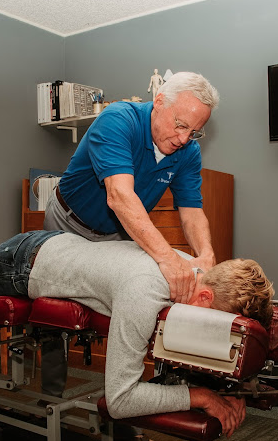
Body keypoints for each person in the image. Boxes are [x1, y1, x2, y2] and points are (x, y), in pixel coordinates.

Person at [0, 230, 274, 441]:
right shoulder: (145, 293)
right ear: (204, 296)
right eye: (218, 322)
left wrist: (227, 387)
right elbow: (121, 400)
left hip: (63, 249)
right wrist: (201, 397)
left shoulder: (195, 274)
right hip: (24, 262)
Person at [44, 71, 220, 306]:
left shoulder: (189, 152)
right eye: (181, 125)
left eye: (194, 132)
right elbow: (120, 196)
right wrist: (167, 258)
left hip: (118, 232)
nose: (184, 139)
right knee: (58, 303)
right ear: (159, 102)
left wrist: (206, 254)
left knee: (112, 302)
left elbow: (192, 212)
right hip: (68, 221)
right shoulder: (118, 119)